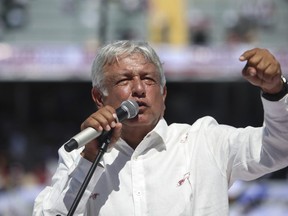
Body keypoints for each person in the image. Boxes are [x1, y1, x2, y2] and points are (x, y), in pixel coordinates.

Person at [33, 40, 288, 216]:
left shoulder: (205, 141)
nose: (139, 89)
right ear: (99, 98)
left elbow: (279, 150)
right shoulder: (78, 155)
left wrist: (276, 91)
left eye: (148, 79)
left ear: (164, 94)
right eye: (124, 80)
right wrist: (89, 158)